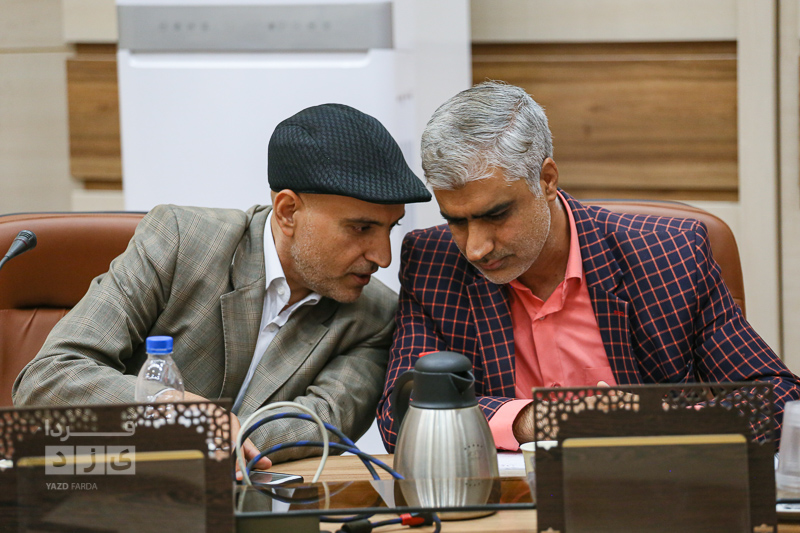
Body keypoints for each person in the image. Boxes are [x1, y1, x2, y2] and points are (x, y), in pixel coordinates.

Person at [377, 81, 800, 451]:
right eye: (456, 221)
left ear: (547, 180)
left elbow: (779, 401)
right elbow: (402, 415)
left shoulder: (669, 254)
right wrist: (543, 419)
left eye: (496, 215)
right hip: (508, 501)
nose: (475, 248)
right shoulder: (432, 261)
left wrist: (652, 423)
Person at [13, 103, 431, 466]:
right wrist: (168, 408)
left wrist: (216, 433)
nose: (383, 257)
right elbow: (49, 377)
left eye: (391, 228)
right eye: (361, 228)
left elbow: (318, 425)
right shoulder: (181, 241)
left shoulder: (375, 315)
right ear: (287, 211)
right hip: (109, 483)